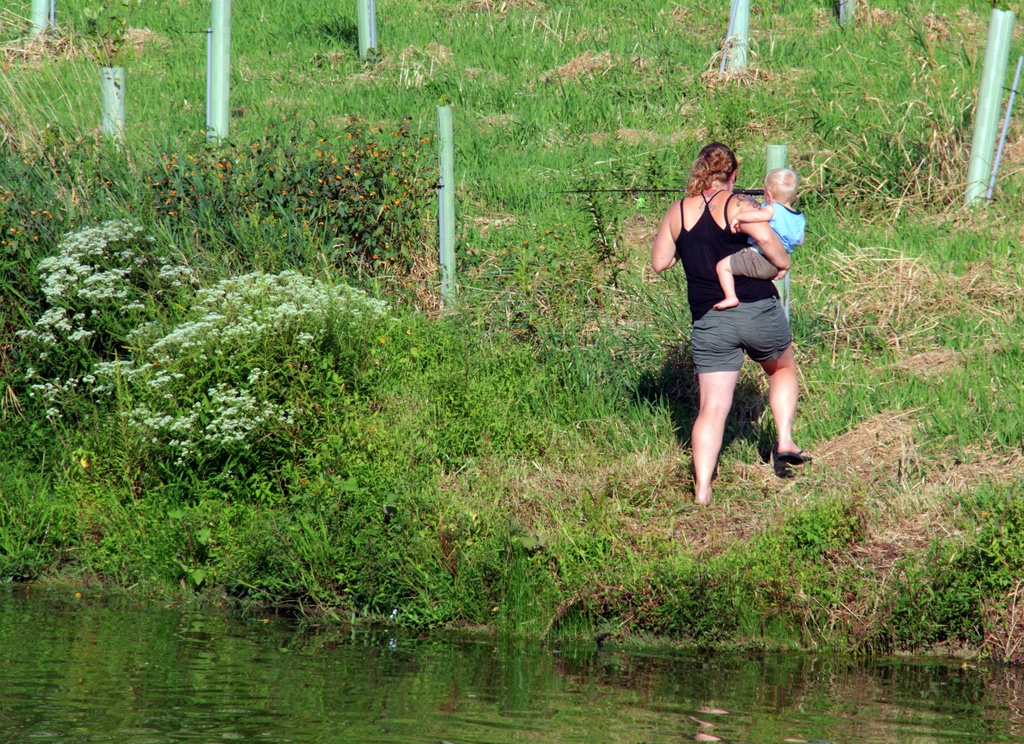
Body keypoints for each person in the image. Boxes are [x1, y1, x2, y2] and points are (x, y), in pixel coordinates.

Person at [650, 143, 810, 506]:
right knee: (781, 369)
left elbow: (660, 261)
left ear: (698, 171)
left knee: (712, 408)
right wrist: (783, 263)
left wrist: (687, 245)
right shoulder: (740, 204)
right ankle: (784, 440)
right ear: (734, 175)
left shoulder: (677, 210)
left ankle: (703, 490)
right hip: (756, 308)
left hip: (710, 318)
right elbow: (768, 240)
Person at [712, 168, 805, 311]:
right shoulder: (799, 218)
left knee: (722, 267)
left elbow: (757, 217)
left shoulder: (773, 208)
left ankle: (731, 297)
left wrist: (738, 217)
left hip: (760, 257)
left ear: (768, 194)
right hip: (776, 264)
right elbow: (800, 240)